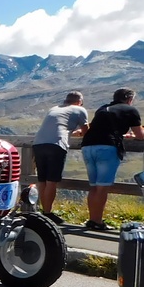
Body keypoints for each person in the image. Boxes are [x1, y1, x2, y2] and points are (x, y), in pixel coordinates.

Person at [80, 87, 144, 230]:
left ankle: (92, 220)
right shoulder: (130, 110)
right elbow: (140, 135)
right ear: (129, 99)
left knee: (94, 186)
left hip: (88, 146)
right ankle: (98, 222)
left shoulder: (103, 108)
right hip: (106, 147)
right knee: (102, 187)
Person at [32, 91, 89, 224]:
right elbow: (87, 132)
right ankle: (47, 213)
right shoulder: (80, 109)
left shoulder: (54, 109)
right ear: (79, 101)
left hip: (38, 143)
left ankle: (42, 211)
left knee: (42, 179)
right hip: (56, 145)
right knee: (52, 180)